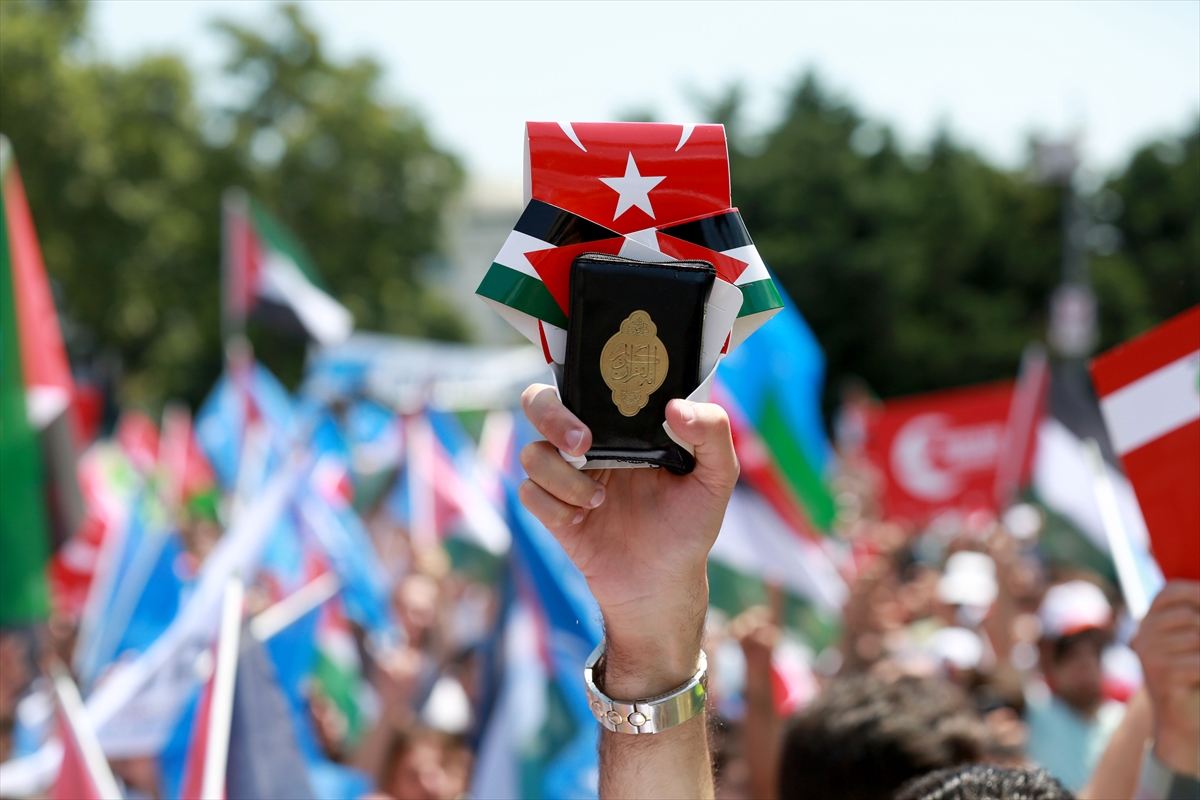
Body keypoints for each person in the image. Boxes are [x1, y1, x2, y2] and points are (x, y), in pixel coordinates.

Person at [1025, 580, 1125, 791]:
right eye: (1069, 650)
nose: (1084, 662)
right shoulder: (1034, 706)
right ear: (1048, 657)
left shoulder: (1124, 720)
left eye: (1095, 647)